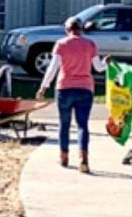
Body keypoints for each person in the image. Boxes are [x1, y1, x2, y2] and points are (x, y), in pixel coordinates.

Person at [37, 16, 107, 171]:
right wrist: (106, 63)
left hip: (64, 88)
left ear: (67, 29)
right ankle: (83, 158)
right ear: (81, 29)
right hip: (85, 88)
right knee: (82, 125)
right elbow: (99, 68)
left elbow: (52, 68)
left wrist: (43, 87)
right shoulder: (90, 44)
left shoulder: (61, 44)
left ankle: (64, 156)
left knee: (64, 124)